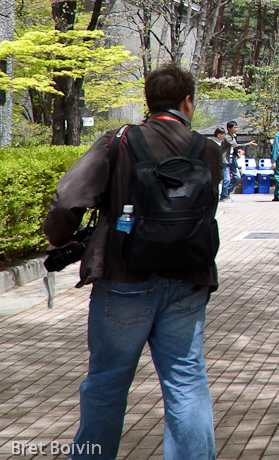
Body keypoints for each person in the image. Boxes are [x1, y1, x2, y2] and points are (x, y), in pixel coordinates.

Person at [43, 64, 224, 460]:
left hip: (124, 279)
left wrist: (60, 239)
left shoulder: (119, 141)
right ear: (188, 102)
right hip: (188, 279)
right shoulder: (207, 150)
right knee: (186, 383)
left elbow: (69, 197)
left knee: (107, 383)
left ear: (148, 101)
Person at [225, 120, 256, 194]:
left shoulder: (234, 136)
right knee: (227, 179)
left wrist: (238, 151)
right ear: (229, 128)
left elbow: (234, 148)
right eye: (234, 127)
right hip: (225, 159)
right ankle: (224, 195)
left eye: (236, 127)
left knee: (237, 176)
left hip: (232, 158)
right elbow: (234, 145)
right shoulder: (227, 137)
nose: (236, 129)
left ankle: (227, 191)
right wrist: (248, 144)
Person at [213, 127, 233, 200]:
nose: (222, 135)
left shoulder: (225, 140)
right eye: (220, 133)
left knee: (226, 178)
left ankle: (224, 194)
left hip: (224, 160)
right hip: (215, 161)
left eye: (223, 133)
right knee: (216, 179)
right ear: (216, 134)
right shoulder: (213, 141)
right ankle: (218, 195)